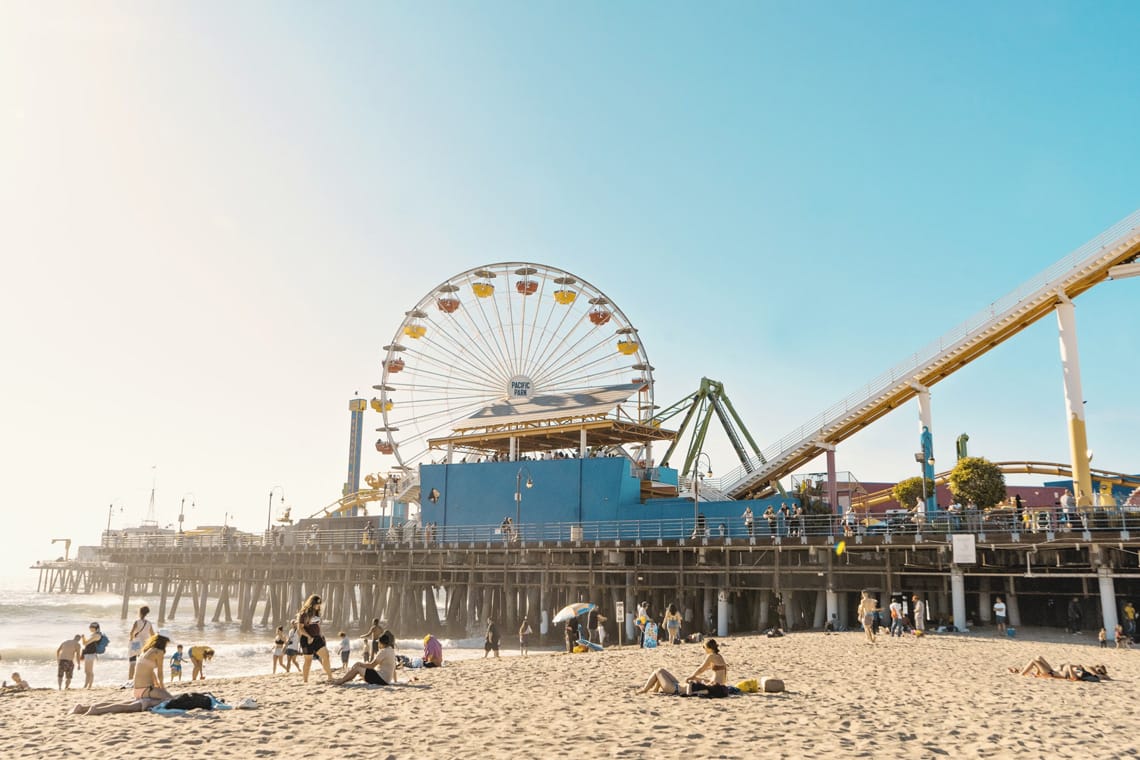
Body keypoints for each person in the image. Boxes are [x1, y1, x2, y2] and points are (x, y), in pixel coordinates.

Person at [71, 634, 174, 715]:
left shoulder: (145, 652)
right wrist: (162, 688)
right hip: (147, 690)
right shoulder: (158, 652)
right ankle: (148, 703)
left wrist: (157, 686)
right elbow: (159, 673)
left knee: (126, 704)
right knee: (170, 700)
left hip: (138, 690)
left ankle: (83, 708)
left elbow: (151, 672)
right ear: (164, 641)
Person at [638, 639, 728, 697]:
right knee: (661, 670)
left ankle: (644, 690)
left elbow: (701, 669)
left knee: (658, 671)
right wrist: (697, 678)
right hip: (677, 685)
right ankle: (655, 689)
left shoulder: (711, 656)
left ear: (709, 648)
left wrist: (692, 676)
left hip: (674, 689)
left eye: (704, 647)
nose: (704, 649)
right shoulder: (719, 657)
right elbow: (712, 680)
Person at [333, 631, 397, 686]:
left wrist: (360, 663)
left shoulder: (383, 651)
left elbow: (372, 666)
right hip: (386, 679)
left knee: (357, 668)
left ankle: (342, 681)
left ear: (381, 643)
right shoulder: (391, 650)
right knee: (360, 670)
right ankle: (343, 680)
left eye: (378, 643)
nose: (378, 644)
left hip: (382, 679)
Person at [295, 594, 333, 683]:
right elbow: (300, 628)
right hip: (306, 639)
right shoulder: (304, 614)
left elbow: (317, 625)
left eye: (320, 604)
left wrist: (321, 635)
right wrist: (309, 637)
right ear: (312, 603)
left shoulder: (317, 613)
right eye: (317, 604)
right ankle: (305, 681)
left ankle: (330, 677)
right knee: (308, 661)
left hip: (317, 638)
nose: (319, 606)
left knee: (326, 656)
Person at [1010, 657, 1109, 681]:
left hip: (1051, 673)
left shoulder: (1089, 675)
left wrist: (1070, 667)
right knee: (1038, 657)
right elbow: (1088, 666)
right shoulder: (1084, 670)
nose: (1097, 668)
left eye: (1099, 669)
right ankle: (1021, 671)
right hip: (1053, 670)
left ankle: (1020, 674)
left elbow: (1074, 678)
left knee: (1034, 660)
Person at [127, 605, 156, 680]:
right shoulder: (149, 623)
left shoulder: (137, 622)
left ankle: (130, 680)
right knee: (142, 663)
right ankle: (142, 679)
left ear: (140, 613)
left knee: (132, 662)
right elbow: (153, 635)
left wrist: (130, 640)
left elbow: (131, 633)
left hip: (136, 644)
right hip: (145, 645)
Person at [80, 622, 103, 689]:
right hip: (88, 654)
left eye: (91, 627)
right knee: (86, 671)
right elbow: (86, 643)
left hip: (91, 654)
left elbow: (85, 643)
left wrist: (83, 638)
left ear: (94, 628)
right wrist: (83, 638)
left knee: (89, 671)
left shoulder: (96, 635)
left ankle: (89, 686)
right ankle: (86, 685)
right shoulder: (93, 635)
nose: (89, 628)